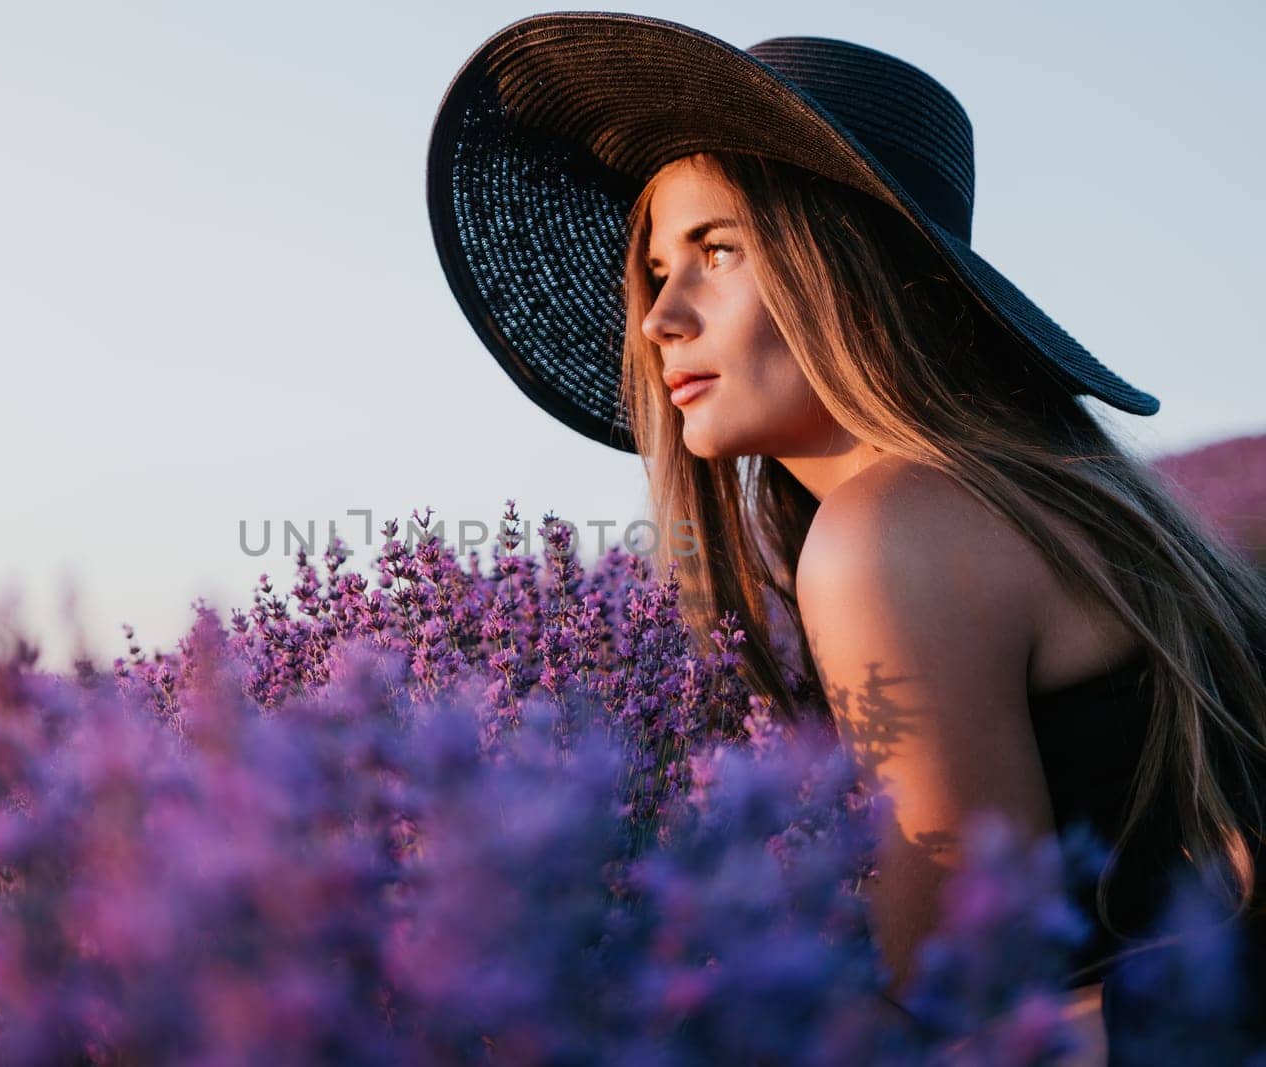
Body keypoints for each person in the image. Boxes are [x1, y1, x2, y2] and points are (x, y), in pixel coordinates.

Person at [426, 12, 1266, 1059]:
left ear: (846, 267)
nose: (658, 317)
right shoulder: (1045, 492)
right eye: (653, 271)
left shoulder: (890, 530)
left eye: (717, 250)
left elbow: (957, 1003)